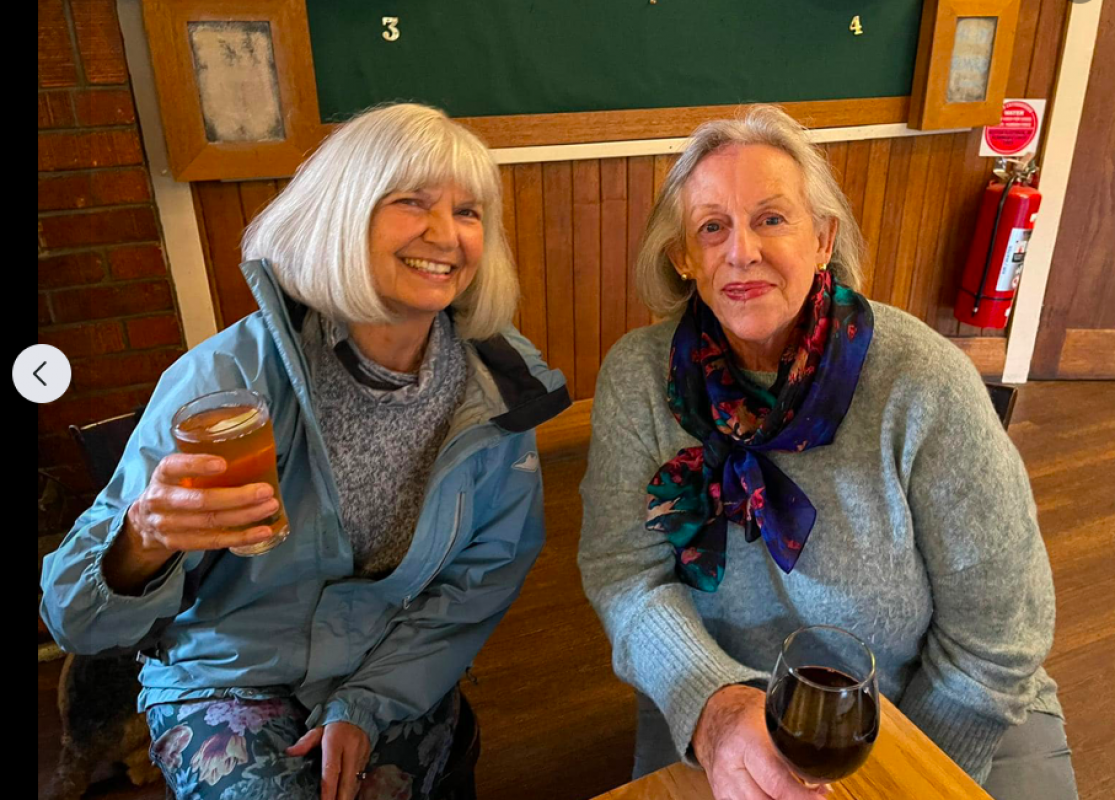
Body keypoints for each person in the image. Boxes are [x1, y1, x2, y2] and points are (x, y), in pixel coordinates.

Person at [41, 102, 569, 800]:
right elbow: (73, 618)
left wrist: (368, 702)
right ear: (341, 214)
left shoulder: (497, 390)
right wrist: (142, 541)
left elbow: (481, 580)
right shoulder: (225, 378)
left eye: (468, 212)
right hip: (227, 675)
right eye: (411, 201)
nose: (445, 234)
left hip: (388, 663)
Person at [577, 105, 1076, 800]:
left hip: (944, 705)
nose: (741, 251)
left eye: (771, 218)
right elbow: (624, 575)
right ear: (683, 258)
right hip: (722, 698)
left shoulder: (923, 382)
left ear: (822, 239)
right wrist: (712, 708)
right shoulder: (637, 377)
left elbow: (998, 636)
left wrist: (903, 778)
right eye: (712, 227)